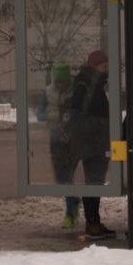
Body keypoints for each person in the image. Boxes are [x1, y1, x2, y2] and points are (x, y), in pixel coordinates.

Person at [62, 50, 116, 240]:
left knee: (95, 182)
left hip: (92, 140)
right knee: (93, 182)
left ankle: (93, 222)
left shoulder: (89, 83)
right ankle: (92, 224)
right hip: (92, 141)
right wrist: (103, 126)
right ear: (95, 66)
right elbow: (81, 114)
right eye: (104, 66)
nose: (107, 70)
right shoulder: (87, 85)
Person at [36, 63, 80, 228]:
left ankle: (70, 212)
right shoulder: (47, 92)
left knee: (68, 176)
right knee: (62, 178)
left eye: (63, 81)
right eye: (58, 81)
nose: (60, 84)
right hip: (55, 139)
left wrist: (69, 117)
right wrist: (58, 116)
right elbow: (40, 114)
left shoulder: (75, 91)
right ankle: (73, 201)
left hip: (73, 139)